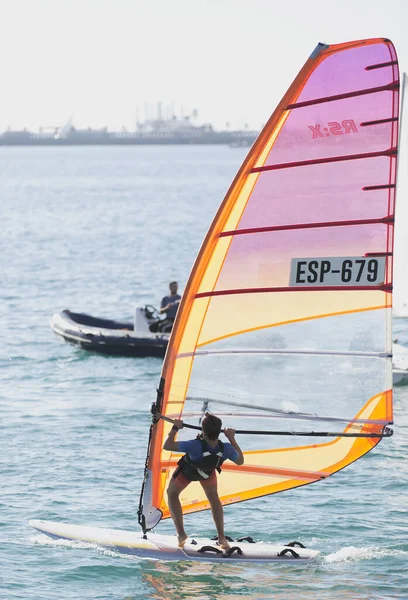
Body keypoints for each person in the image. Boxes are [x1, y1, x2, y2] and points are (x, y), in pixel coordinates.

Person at [163, 413, 244, 549]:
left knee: (172, 493)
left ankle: (181, 533)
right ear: (219, 432)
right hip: (207, 474)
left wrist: (175, 428)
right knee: (214, 498)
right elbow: (240, 461)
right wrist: (232, 439)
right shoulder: (226, 449)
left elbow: (167, 445)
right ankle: (222, 538)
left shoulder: (194, 445)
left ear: (203, 432)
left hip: (187, 473)